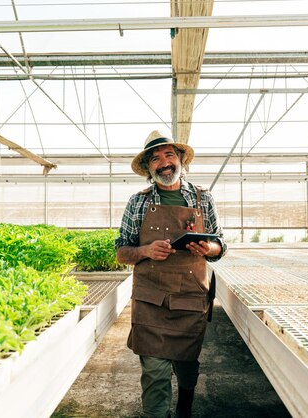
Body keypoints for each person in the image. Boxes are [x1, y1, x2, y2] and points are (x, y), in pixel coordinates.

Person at [115, 130, 227, 418]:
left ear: (180, 160)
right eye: (155, 158)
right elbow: (121, 251)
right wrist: (145, 251)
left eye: (169, 155)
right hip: (150, 299)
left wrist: (209, 248)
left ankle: (185, 403)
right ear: (149, 169)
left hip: (190, 298)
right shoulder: (137, 203)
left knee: (186, 364)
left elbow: (222, 244)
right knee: (154, 370)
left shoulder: (203, 198)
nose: (163, 162)